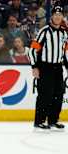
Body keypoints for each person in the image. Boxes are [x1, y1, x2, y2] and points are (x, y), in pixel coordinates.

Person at [29, 3, 67, 131]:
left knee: (58, 94)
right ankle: (39, 121)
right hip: (45, 67)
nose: (57, 17)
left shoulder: (63, 33)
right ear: (51, 16)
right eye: (55, 15)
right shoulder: (44, 31)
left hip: (58, 68)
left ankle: (53, 120)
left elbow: (65, 52)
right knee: (45, 95)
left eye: (60, 15)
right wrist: (35, 66)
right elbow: (33, 51)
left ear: (62, 17)